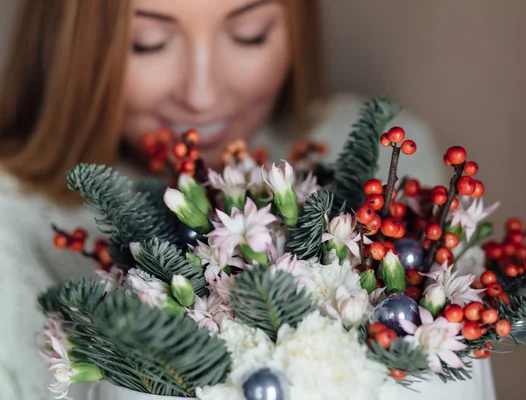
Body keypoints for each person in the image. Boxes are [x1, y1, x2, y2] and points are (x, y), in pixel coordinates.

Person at [0, 1, 494, 399]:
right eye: (146, 42)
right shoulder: (12, 223)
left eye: (250, 33)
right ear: (71, 44)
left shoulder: (382, 154)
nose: (202, 94)